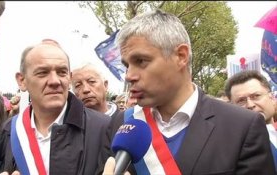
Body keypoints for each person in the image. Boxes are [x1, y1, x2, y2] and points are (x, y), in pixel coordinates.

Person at [99, 10, 275, 174]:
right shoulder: (121, 123)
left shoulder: (242, 126)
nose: (129, 76)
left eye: (141, 61)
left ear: (181, 56)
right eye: (126, 65)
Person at [0, 39, 110, 175]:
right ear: (22, 80)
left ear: (69, 78)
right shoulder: (10, 130)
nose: (55, 81)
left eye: (61, 72)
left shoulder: (104, 128)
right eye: (42, 73)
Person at [224, 70, 277, 172]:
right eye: (241, 101)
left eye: (256, 96)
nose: (250, 105)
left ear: (271, 98)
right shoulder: (228, 150)